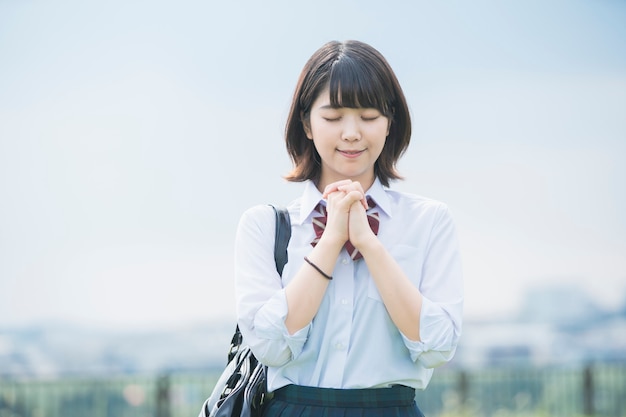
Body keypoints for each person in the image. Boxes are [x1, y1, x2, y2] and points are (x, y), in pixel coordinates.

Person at [234, 40, 463, 417]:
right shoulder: (264, 226)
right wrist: (331, 240)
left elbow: (437, 346)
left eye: (369, 116)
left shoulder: (428, 221)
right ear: (306, 123)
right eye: (334, 116)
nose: (352, 133)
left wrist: (369, 245)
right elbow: (271, 347)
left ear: (390, 122)